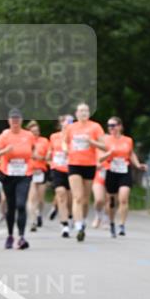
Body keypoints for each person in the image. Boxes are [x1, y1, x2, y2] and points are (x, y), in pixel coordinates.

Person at [62, 102, 106, 242]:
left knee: (86, 200)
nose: (83, 113)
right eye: (81, 111)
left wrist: (92, 142)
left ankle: (83, 220)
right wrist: (65, 149)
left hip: (89, 165)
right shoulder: (71, 128)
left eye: (86, 111)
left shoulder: (95, 127)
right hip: (74, 164)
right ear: (76, 113)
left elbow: (104, 145)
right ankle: (78, 225)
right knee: (78, 197)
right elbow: (64, 142)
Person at [0, 109, 35, 249]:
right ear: (9, 121)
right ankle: (10, 235)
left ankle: (21, 237)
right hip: (8, 174)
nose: (15, 121)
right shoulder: (4, 135)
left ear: (21, 120)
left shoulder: (28, 135)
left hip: (24, 174)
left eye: (18, 119)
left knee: (21, 205)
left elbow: (32, 150)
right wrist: (5, 151)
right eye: (12, 119)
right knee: (11, 206)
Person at [98, 117, 147, 237]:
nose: (111, 128)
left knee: (123, 198)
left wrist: (138, 165)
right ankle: (111, 223)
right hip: (111, 171)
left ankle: (122, 225)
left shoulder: (128, 140)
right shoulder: (105, 140)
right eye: (109, 126)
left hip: (124, 171)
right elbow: (100, 159)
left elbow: (131, 154)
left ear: (120, 126)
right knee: (111, 201)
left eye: (113, 125)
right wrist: (108, 154)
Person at [47, 115, 73, 238]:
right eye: (64, 122)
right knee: (61, 194)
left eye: (70, 122)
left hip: (72, 169)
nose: (66, 124)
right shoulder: (54, 136)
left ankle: (71, 216)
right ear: (60, 124)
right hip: (57, 169)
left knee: (70, 199)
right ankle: (65, 225)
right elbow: (50, 151)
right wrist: (48, 157)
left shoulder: (75, 138)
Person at [26, 120, 50, 232]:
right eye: (33, 131)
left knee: (40, 199)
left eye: (37, 131)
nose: (36, 133)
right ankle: (33, 221)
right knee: (32, 197)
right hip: (30, 171)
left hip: (41, 171)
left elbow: (49, 156)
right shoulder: (25, 141)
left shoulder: (44, 141)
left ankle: (39, 213)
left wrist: (42, 157)